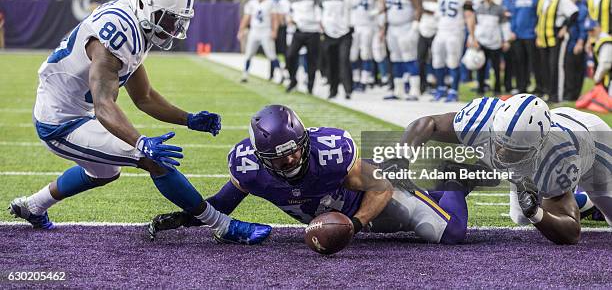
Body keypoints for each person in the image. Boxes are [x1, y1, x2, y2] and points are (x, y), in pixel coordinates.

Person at [8, 0, 270, 245]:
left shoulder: (134, 24)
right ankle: (222, 225)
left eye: (177, 21)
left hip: (74, 108)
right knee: (151, 159)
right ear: (145, 6)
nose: (172, 28)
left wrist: (189, 119)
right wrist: (140, 142)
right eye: (168, 19)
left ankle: (32, 206)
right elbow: (104, 105)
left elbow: (143, 97)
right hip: (60, 121)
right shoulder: (118, 35)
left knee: (104, 172)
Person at [149, 105, 471, 245]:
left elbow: (381, 185)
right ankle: (435, 196)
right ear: (261, 158)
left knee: (449, 233)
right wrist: (187, 217)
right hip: (349, 213)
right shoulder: (248, 168)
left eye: (294, 149)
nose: (290, 159)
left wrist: (353, 225)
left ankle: (451, 182)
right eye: (278, 156)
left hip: (379, 196)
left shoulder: (331, 152)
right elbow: (221, 204)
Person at [402, 94, 612, 244]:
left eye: (512, 151)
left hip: (596, 142)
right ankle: (586, 203)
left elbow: (571, 233)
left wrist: (536, 213)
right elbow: (428, 123)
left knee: (533, 213)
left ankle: (591, 201)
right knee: (519, 217)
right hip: (544, 135)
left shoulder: (557, 157)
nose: (500, 153)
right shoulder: (482, 119)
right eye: (499, 142)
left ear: (535, 148)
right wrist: (399, 160)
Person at [382, 0, 436, 100]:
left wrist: (416, 23)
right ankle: (398, 90)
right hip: (392, 27)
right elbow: (385, 8)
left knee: (410, 58)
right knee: (395, 59)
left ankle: (414, 90)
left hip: (406, 26)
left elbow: (418, 6)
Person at [431, 0, 476, 102]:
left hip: (455, 31)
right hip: (441, 30)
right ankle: (441, 88)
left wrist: (472, 35)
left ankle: (453, 90)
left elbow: (469, 16)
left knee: (453, 60)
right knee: (437, 59)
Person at [535, 0, 578, 103]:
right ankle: (548, 93)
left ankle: (556, 95)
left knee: (555, 66)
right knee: (545, 67)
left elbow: (574, 13)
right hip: (543, 38)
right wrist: (538, 35)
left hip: (555, 37)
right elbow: (540, 18)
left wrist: (565, 27)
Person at [347, 0, 384, 90]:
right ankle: (355, 78)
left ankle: (364, 80)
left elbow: (381, 3)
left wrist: (376, 12)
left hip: (368, 24)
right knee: (353, 54)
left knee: (365, 53)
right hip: (354, 24)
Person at [318, 0, 353, 99]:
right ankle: (333, 90)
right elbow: (319, 11)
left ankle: (348, 89)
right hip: (328, 33)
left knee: (344, 60)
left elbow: (353, 3)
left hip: (344, 32)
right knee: (331, 62)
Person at [471, 0, 511, 94]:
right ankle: (480, 88)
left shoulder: (499, 9)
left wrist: (506, 40)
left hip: (495, 43)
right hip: (482, 42)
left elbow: (504, 25)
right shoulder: (478, 8)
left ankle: (497, 89)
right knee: (481, 67)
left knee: (496, 68)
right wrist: (473, 39)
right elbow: (475, 25)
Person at [238, 0, 281, 83]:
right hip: (254, 31)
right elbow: (246, 18)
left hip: (266, 30)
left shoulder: (270, 2)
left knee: (271, 55)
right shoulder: (251, 3)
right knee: (248, 54)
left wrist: (274, 31)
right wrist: (241, 30)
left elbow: (275, 18)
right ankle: (245, 74)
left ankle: (281, 74)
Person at [285, 0, 321, 94]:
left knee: (312, 60)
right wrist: (290, 19)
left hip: (313, 31)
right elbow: (291, 11)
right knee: (290, 56)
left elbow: (320, 9)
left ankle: (310, 86)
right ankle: (293, 80)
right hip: (299, 30)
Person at [511, 0, 540, 94]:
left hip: (531, 35)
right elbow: (514, 15)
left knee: (534, 63)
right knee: (519, 62)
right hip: (518, 35)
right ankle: (521, 87)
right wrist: (512, 30)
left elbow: (539, 15)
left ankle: (538, 87)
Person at [563, 0, 588, 101]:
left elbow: (583, 28)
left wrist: (580, 42)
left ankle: (573, 95)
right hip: (567, 43)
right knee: (568, 69)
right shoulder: (569, 7)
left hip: (576, 42)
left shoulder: (582, 9)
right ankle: (569, 93)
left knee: (576, 70)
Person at [417, 0, 439, 94]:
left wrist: (425, 10)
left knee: (436, 59)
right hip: (424, 28)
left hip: (436, 29)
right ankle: (422, 84)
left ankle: (436, 83)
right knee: (420, 58)